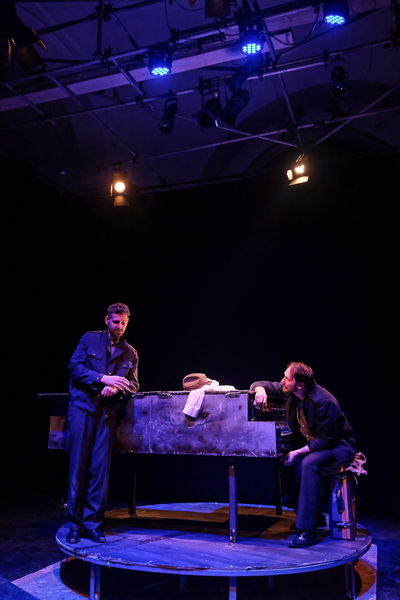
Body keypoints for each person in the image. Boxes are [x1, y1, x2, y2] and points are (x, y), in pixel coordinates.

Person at [250, 362, 356, 548]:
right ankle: (314, 517)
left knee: (309, 463)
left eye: (287, 378)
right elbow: (260, 383)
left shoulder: (324, 402)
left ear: (300, 385)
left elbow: (325, 441)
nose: (282, 381)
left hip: (337, 447)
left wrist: (297, 452)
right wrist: (260, 390)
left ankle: (308, 531)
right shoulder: (291, 390)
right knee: (285, 463)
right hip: (311, 443)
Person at [66, 303, 139, 544]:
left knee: (100, 471)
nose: (120, 326)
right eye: (116, 321)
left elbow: (133, 384)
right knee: (78, 467)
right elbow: (75, 367)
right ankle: (75, 524)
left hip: (108, 414)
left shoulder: (130, 352)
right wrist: (102, 379)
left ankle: (93, 524)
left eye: (124, 322)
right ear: (107, 320)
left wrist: (117, 388)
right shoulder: (90, 339)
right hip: (83, 409)